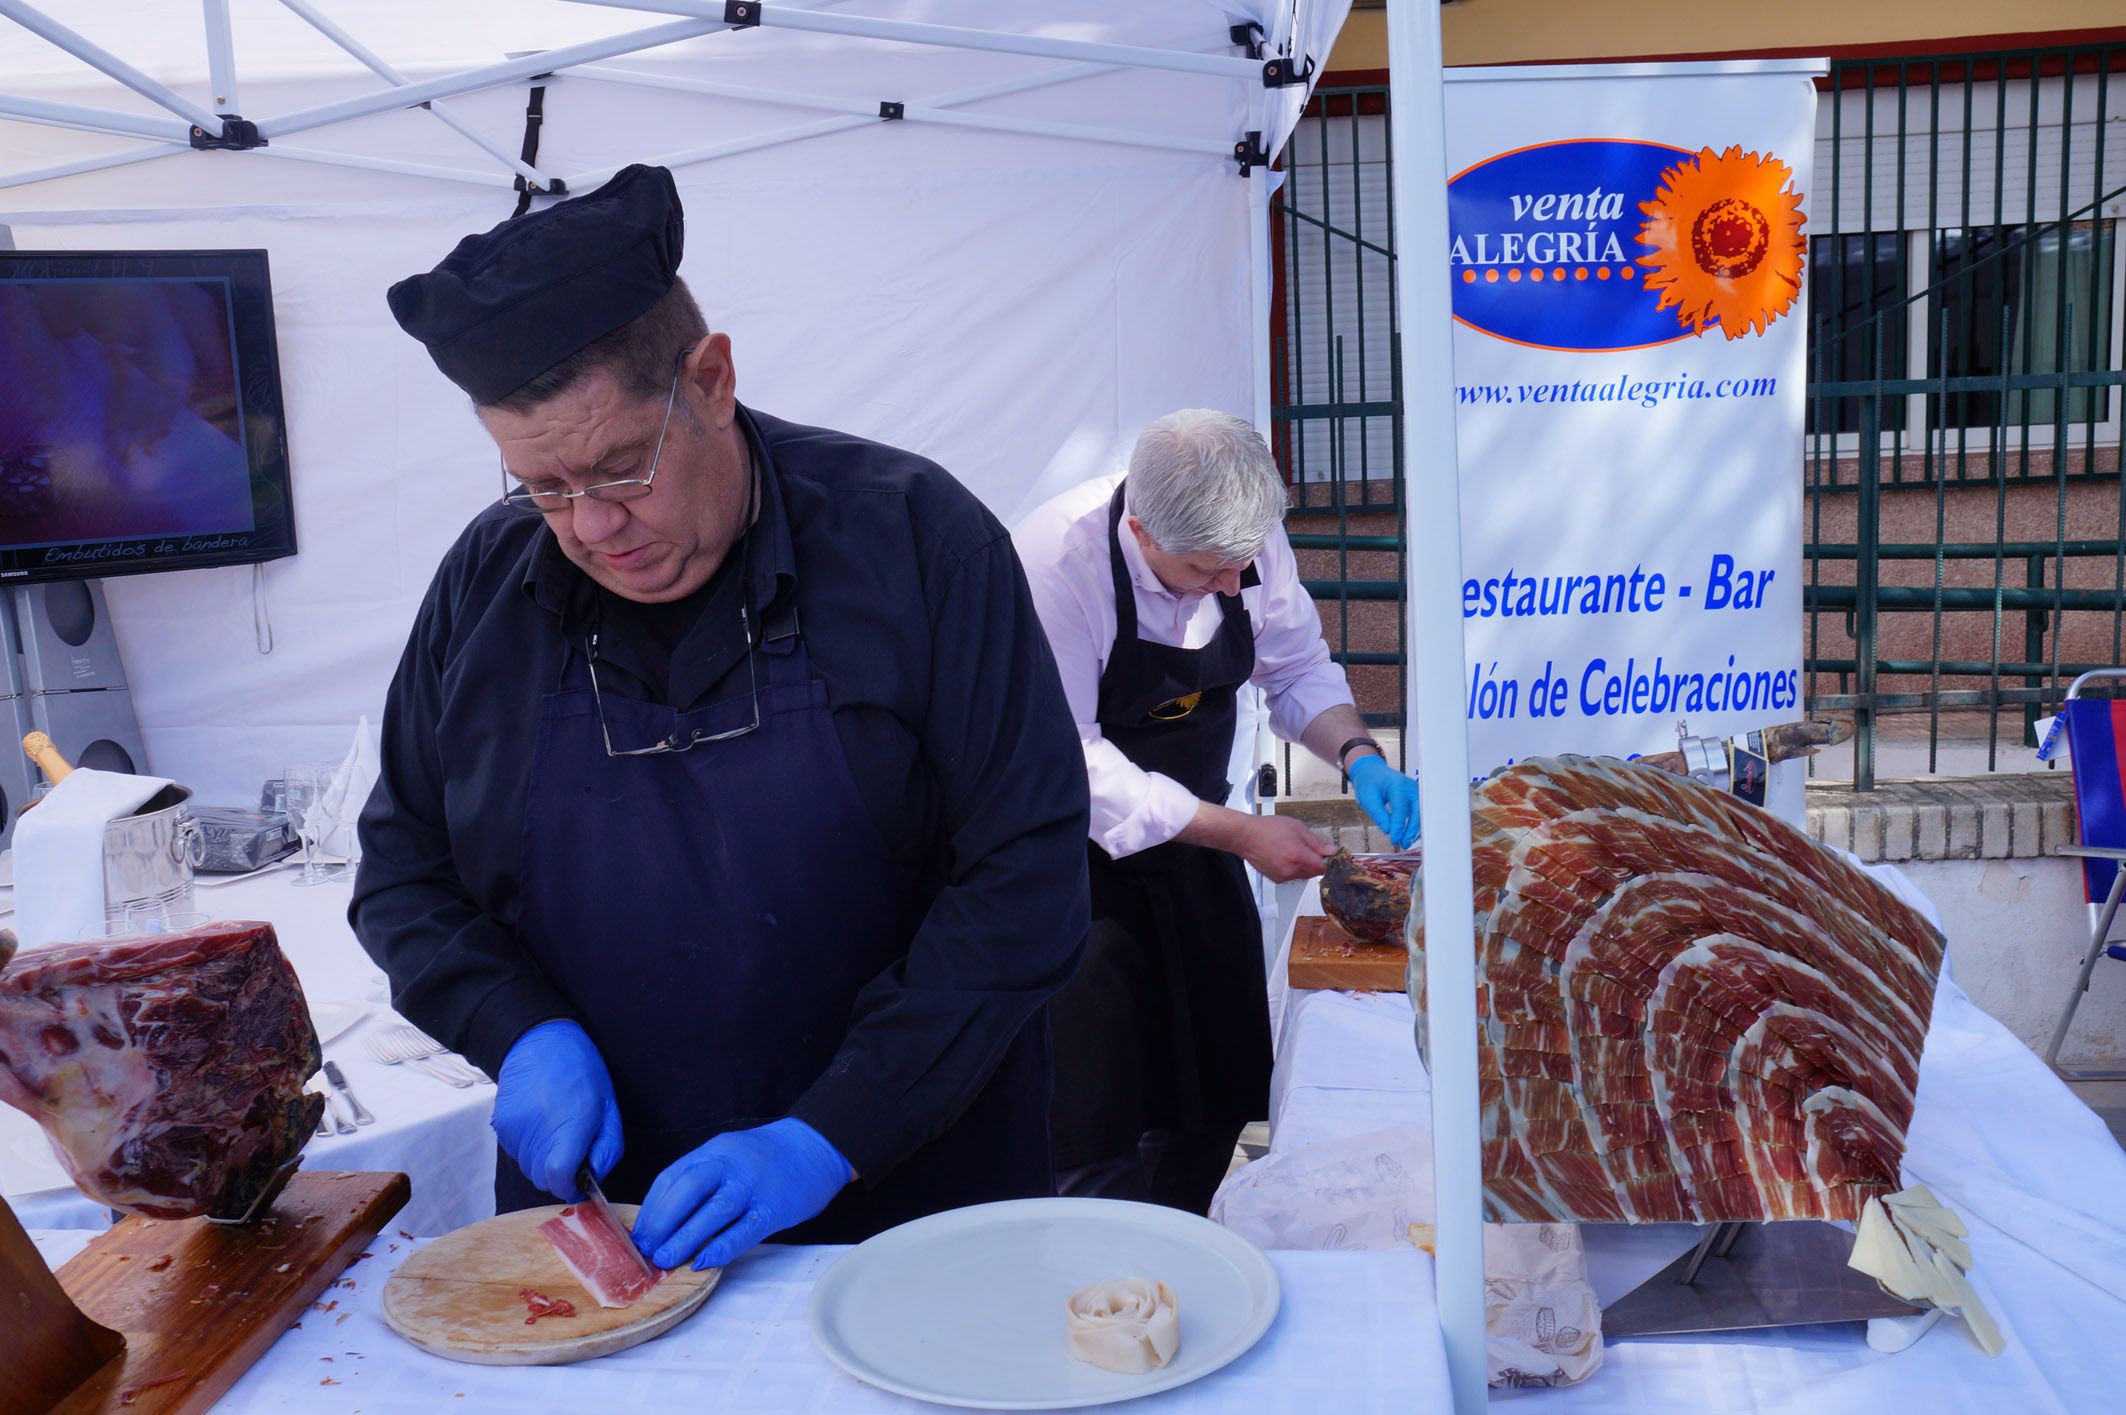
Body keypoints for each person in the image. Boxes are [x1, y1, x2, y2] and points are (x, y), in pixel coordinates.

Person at [353, 165, 1090, 1273]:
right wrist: (514, 1023)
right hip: (608, 1230)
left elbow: (1026, 878)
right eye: (541, 487)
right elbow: (402, 869)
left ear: (712, 379)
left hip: (910, 1203)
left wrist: (828, 1132)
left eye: (618, 468)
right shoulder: (483, 588)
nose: (593, 526)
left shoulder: (917, 542)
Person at [1012, 409, 1420, 1213]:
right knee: (1092, 1127)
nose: (1233, 586)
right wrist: (1241, 833)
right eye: (1207, 571)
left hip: (1198, 855)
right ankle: (1109, 1289)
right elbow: (1075, 765)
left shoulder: (1242, 537)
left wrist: (1358, 752)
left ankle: (1184, 1249)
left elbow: (1296, 663)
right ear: (1142, 531)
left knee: (1217, 1094)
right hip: (1073, 876)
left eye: (1241, 566)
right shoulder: (1056, 564)